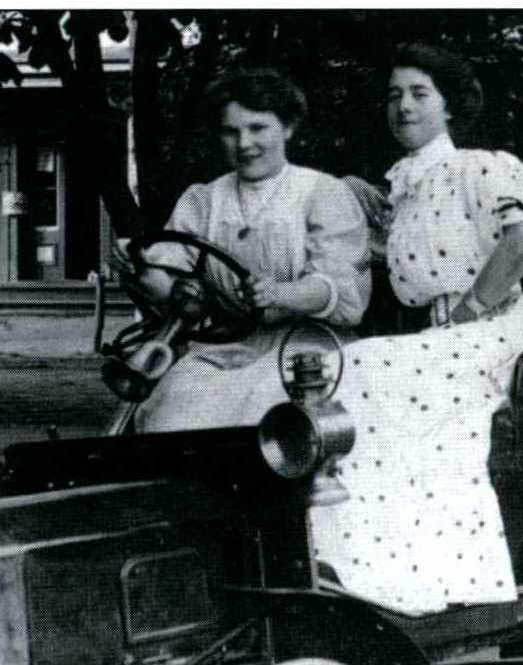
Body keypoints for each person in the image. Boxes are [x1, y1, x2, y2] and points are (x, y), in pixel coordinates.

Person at [309, 44, 523, 615]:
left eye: (420, 94)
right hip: (437, 340)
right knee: (340, 368)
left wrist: (472, 307)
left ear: (450, 107)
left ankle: (424, 579)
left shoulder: (481, 167)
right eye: (394, 95)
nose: (403, 106)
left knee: (364, 369)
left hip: (495, 330)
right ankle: (360, 559)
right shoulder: (404, 188)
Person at [127, 69, 370, 432]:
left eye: (258, 128)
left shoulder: (324, 193)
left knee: (269, 417)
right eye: (231, 131)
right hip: (224, 349)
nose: (243, 143)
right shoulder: (203, 200)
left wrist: (280, 293)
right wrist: (147, 273)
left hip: (307, 347)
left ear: (287, 128)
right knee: (171, 413)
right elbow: (174, 287)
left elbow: (344, 293)